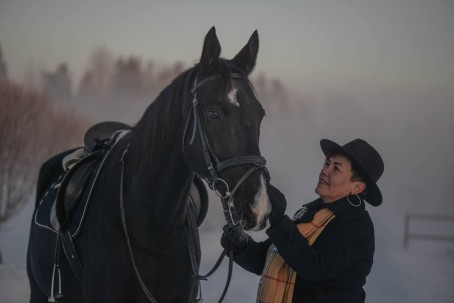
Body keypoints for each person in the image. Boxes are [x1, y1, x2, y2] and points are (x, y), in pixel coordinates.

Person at [221, 138, 384, 303]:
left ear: (357, 187)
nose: (325, 170)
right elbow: (270, 259)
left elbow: (316, 268)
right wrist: (240, 245)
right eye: (327, 163)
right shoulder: (312, 212)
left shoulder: (357, 225)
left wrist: (279, 221)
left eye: (336, 168)